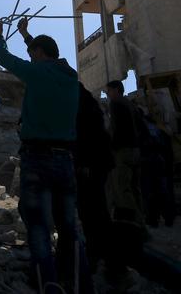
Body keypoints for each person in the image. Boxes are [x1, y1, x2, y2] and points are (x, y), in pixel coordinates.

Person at [0, 17, 90, 294]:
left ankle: (47, 284)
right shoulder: (70, 79)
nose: (30, 56)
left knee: (38, 228)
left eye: (32, 52)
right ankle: (81, 283)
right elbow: (41, 57)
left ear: (39, 54)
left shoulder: (37, 73)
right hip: (65, 161)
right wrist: (25, 34)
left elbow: (4, 58)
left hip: (38, 159)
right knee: (70, 227)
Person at [104, 80, 145, 288]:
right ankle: (141, 223)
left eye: (108, 90)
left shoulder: (116, 104)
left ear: (116, 90)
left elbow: (116, 129)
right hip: (136, 151)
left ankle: (132, 230)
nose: (107, 93)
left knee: (123, 190)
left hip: (123, 151)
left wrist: (111, 147)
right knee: (135, 189)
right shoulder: (132, 105)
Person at [74, 82, 114, 271]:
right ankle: (105, 253)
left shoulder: (82, 111)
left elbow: (86, 139)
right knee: (98, 208)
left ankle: (97, 253)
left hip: (90, 165)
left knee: (90, 210)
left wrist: (84, 164)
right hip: (99, 164)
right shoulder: (91, 106)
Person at [138, 107, 176, 228]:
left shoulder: (139, 128)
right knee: (162, 190)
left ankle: (153, 218)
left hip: (147, 162)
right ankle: (168, 217)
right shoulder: (155, 127)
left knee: (149, 191)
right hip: (160, 162)